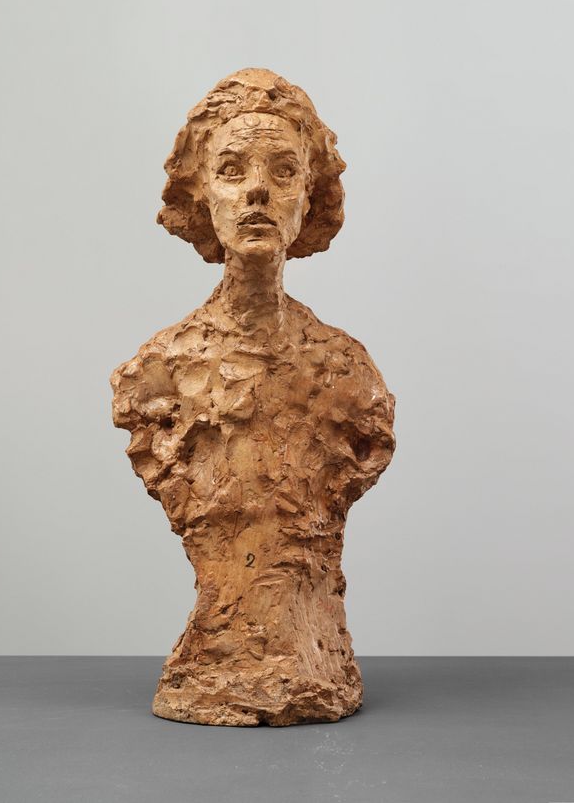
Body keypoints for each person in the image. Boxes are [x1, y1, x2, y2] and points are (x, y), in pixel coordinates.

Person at [111, 68, 396, 726]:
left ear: (310, 197)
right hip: (211, 657)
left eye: (284, 171)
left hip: (315, 659)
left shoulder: (349, 375)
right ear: (201, 193)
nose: (258, 191)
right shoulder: (156, 376)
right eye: (233, 170)